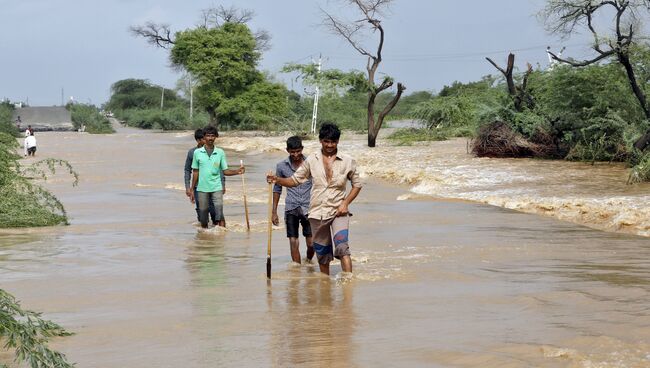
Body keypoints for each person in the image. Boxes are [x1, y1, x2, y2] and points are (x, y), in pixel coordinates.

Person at [267, 123, 362, 275]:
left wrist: (345, 203)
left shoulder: (347, 160)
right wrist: (277, 179)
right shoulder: (312, 160)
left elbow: (357, 185)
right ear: (320, 141)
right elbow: (294, 180)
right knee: (322, 254)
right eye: (326, 141)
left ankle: (348, 285)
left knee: (342, 247)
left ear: (338, 141)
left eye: (333, 142)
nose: (330, 145)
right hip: (317, 213)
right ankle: (325, 286)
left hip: (339, 212)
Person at [189, 125, 244, 229]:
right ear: (204, 137)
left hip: (216, 187)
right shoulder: (197, 153)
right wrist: (192, 189)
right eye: (208, 135)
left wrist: (238, 171)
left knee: (219, 212)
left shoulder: (220, 152)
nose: (210, 138)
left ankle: (222, 235)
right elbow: (195, 172)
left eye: (213, 135)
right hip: (202, 188)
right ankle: (205, 237)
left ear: (216, 137)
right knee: (203, 216)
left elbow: (225, 171)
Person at [272, 136, 314, 264]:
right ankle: (297, 270)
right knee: (293, 241)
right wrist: (274, 212)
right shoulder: (281, 166)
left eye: (298, 151)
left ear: (302, 149)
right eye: (292, 152)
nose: (295, 154)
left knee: (311, 243)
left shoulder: (311, 163)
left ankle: (308, 260)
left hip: (309, 208)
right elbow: (277, 189)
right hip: (291, 208)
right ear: (287, 150)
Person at [184, 129, 225, 226]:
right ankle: (204, 237)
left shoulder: (217, 152)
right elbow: (188, 170)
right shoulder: (193, 153)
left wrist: (223, 184)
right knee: (201, 213)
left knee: (216, 211)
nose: (208, 140)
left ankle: (218, 232)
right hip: (199, 187)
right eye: (204, 138)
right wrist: (188, 188)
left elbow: (220, 169)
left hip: (214, 185)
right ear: (198, 140)